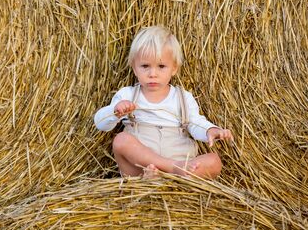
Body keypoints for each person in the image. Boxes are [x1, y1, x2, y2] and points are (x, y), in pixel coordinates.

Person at [94, 26, 233, 179]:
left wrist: (210, 131)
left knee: (214, 161)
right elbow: (100, 123)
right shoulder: (128, 95)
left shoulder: (183, 97)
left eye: (161, 66)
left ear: (174, 68)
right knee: (120, 140)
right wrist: (115, 111)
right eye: (145, 66)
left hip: (181, 160)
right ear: (134, 68)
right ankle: (169, 172)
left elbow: (195, 123)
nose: (153, 74)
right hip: (140, 169)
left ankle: (170, 174)